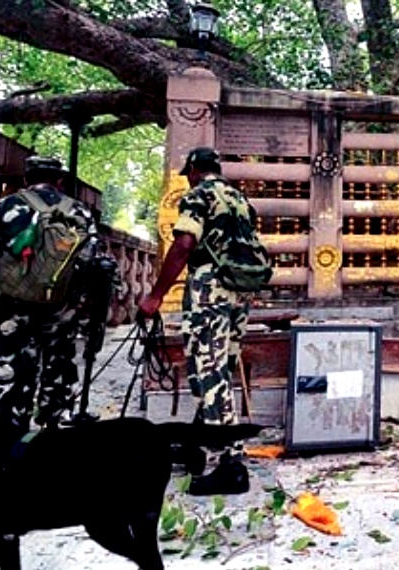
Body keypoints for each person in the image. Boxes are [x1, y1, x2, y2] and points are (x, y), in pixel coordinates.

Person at [138, 146, 262, 496]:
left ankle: (230, 464)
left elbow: (184, 244)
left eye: (188, 172)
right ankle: (199, 442)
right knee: (220, 370)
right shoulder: (239, 199)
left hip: (210, 289)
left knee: (209, 373)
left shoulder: (198, 195)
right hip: (240, 290)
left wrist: (156, 295)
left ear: (194, 169)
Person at [0, 156, 100, 431]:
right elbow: (92, 265)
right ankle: (50, 423)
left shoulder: (5, 207)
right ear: (59, 181)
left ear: (26, 180)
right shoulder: (79, 212)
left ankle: (11, 433)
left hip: (12, 308)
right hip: (61, 308)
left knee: (13, 373)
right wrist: (81, 306)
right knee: (58, 369)